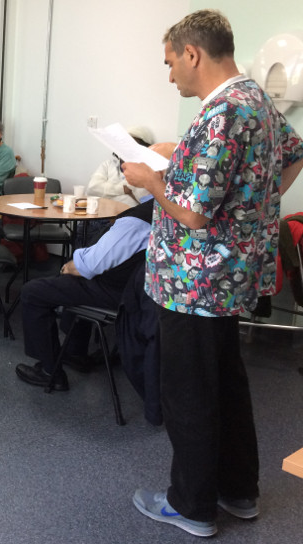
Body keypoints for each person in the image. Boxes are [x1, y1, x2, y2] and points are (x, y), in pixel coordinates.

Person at [122, 10, 303, 538]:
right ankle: (239, 491)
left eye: (170, 62)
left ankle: (192, 505)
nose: (169, 73)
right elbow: (292, 154)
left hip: (194, 283)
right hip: (232, 277)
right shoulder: (256, 103)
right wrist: (259, 202)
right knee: (226, 382)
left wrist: (148, 178)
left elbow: (194, 212)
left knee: (190, 392)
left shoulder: (219, 112)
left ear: (192, 53)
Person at [15, 196, 155, 390]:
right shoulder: (170, 213)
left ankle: (50, 372)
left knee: (33, 292)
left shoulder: (134, 223)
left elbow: (90, 266)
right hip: (145, 293)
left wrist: (69, 266)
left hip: (119, 293)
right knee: (72, 282)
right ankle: (74, 352)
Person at [87, 126, 154, 206]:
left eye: (132, 145)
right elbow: (92, 189)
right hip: (103, 214)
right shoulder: (108, 165)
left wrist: (107, 191)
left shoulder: (148, 170)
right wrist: (124, 189)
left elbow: (143, 201)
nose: (127, 148)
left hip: (129, 215)